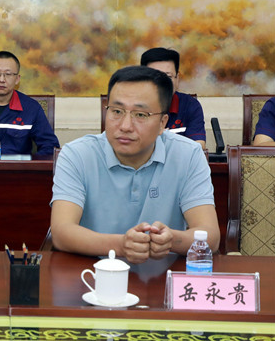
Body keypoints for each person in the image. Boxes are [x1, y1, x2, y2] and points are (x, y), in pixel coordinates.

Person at [50, 66, 219, 264]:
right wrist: (121, 245)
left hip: (165, 276)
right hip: (92, 275)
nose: (125, 126)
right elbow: (61, 232)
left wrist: (171, 239)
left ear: (163, 123)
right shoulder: (77, 155)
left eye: (140, 115)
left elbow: (210, 236)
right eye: (117, 111)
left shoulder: (188, 155)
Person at [140, 47, 206, 150]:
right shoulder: (131, 105)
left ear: (177, 78)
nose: (162, 83)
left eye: (168, 77)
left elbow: (198, 146)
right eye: (155, 77)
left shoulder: (190, 105)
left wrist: (165, 140)